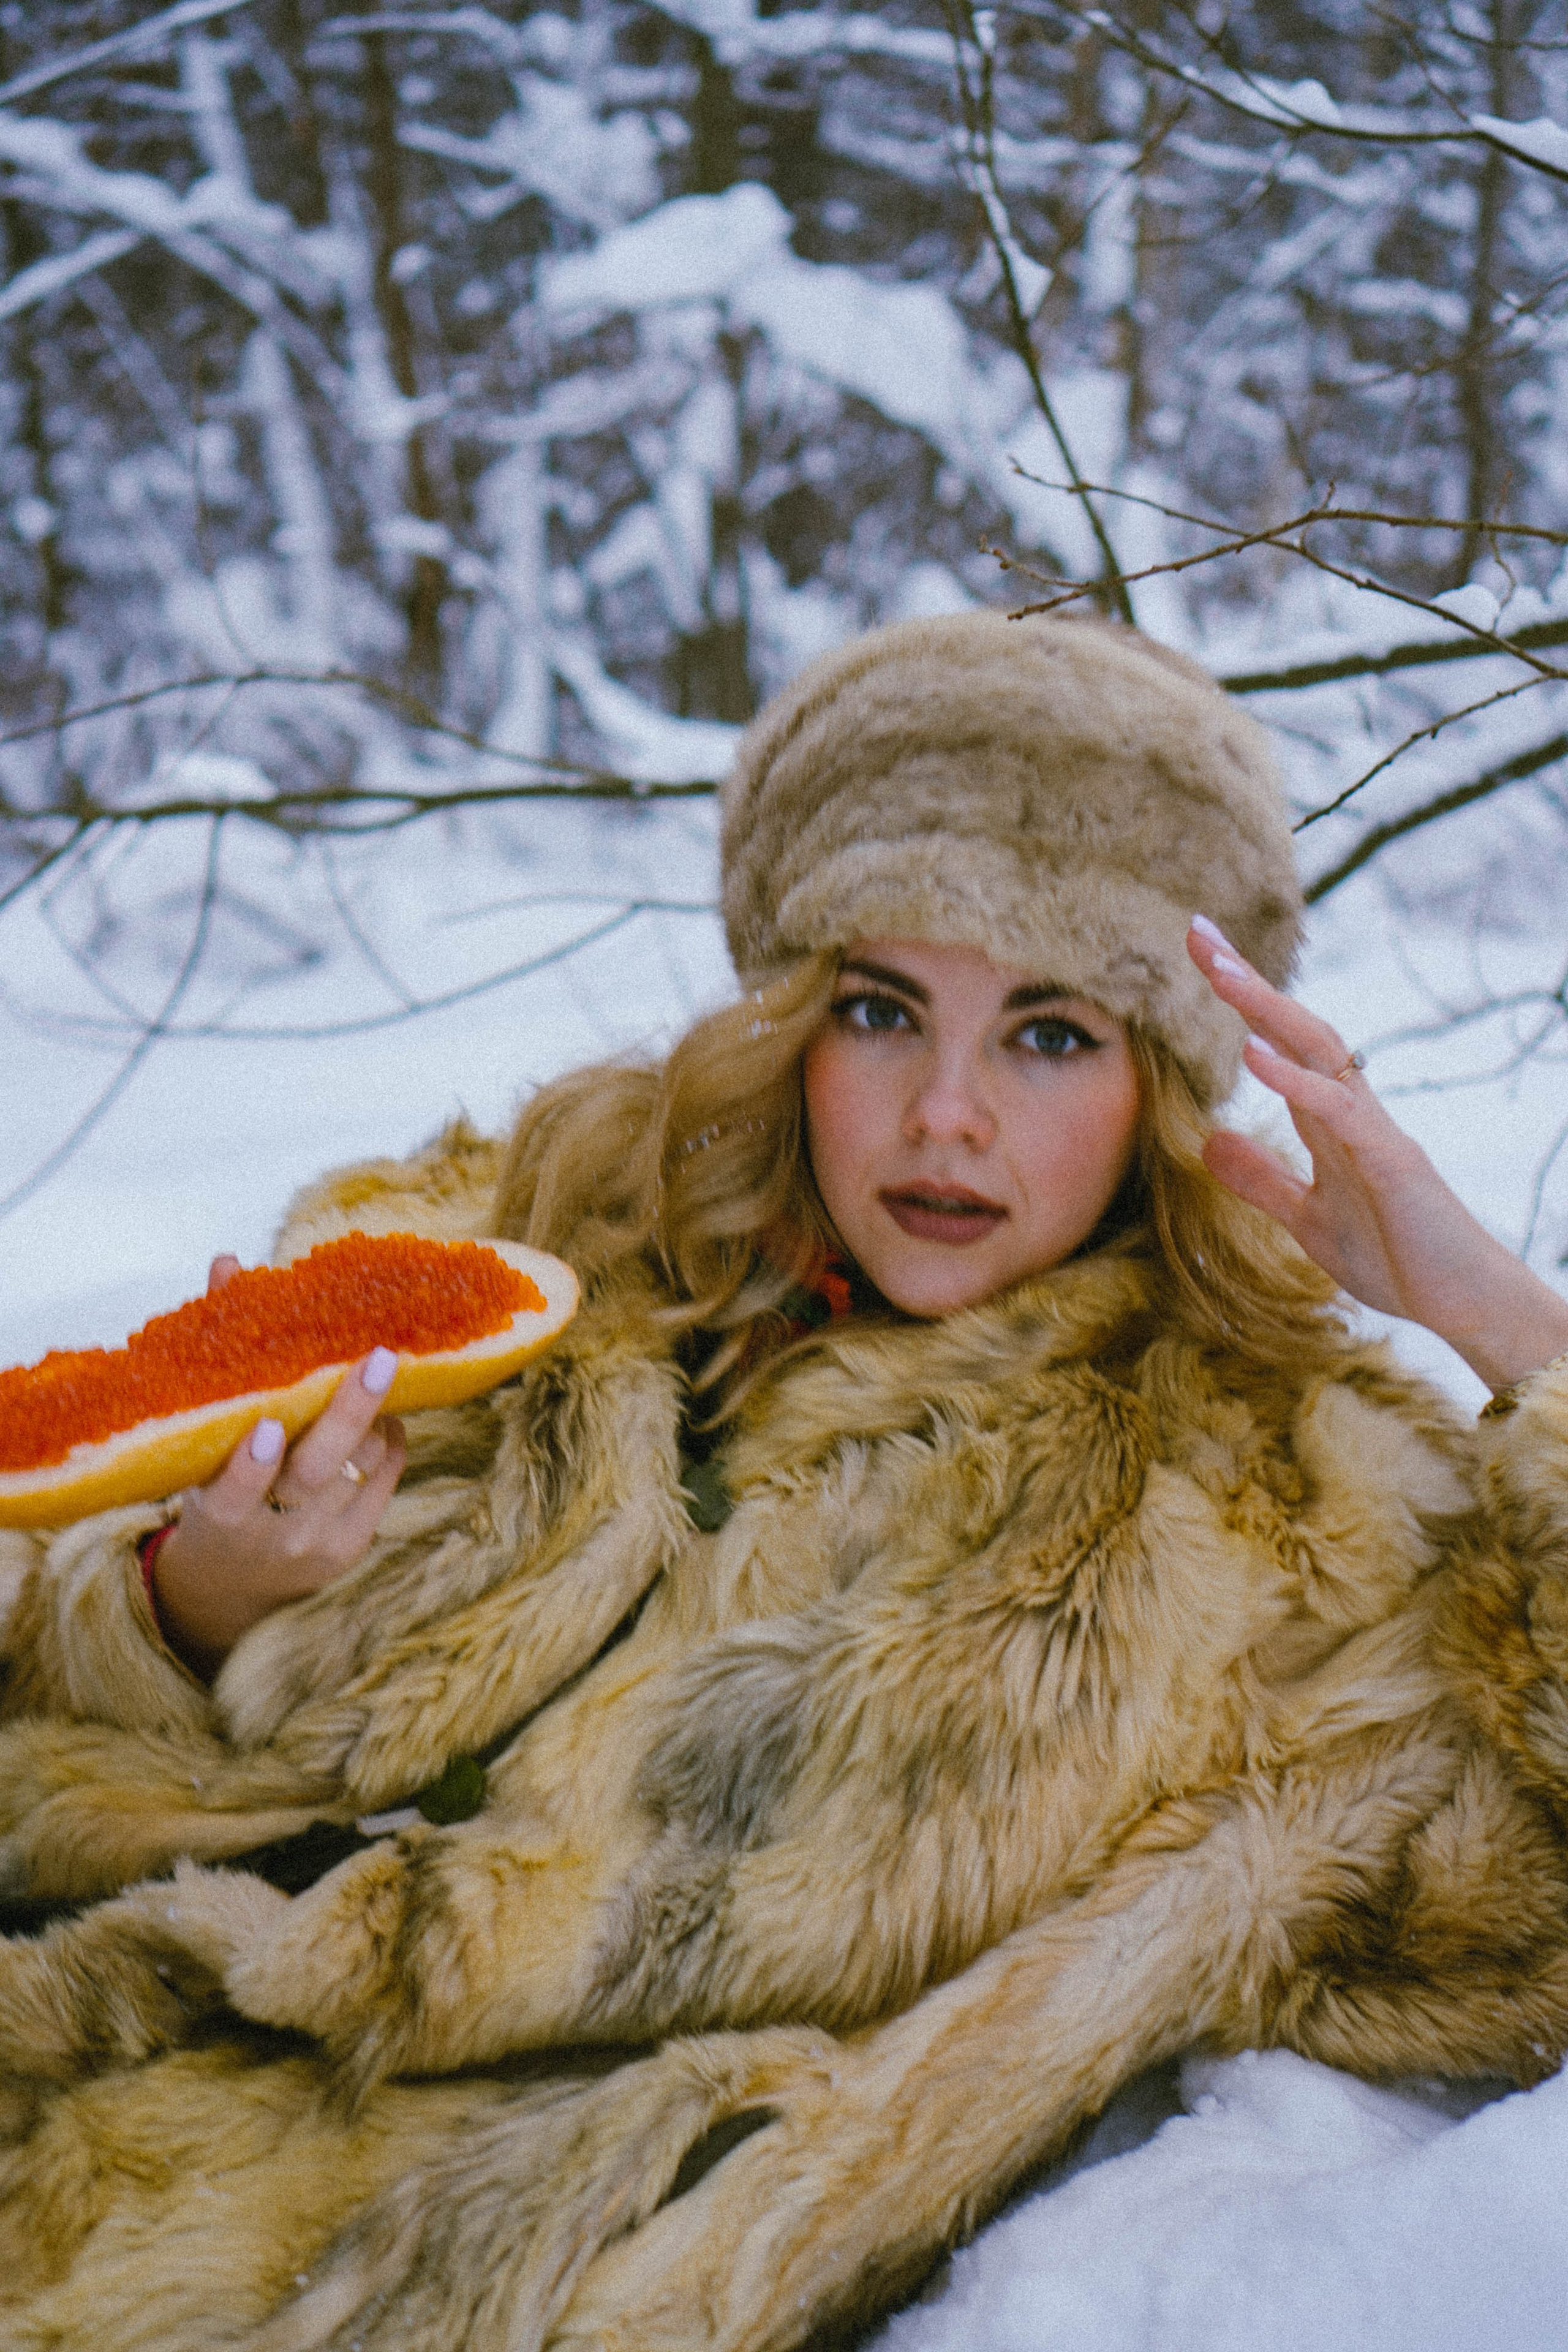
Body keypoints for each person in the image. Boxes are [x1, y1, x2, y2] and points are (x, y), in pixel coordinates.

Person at [1, 611, 1567, 2352]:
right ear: (795, 1023)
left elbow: (1513, 1932)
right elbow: (48, 1643)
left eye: (1050, 1035)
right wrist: (179, 1611)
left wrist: (1503, 1324)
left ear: (1162, 1084)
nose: (946, 1115)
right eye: (885, 1012)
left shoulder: (1284, 1504)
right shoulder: (506, 1242)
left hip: (402, 2271)